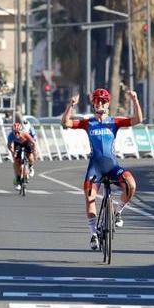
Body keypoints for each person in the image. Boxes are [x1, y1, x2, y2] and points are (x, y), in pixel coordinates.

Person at [60, 86, 142, 251]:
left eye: (103, 101)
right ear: (93, 104)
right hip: (95, 169)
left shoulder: (114, 122)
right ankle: (94, 234)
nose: (100, 104)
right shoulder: (87, 123)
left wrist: (135, 100)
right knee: (90, 199)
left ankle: (118, 212)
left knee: (131, 184)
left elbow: (137, 120)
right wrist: (71, 105)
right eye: (97, 101)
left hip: (112, 167)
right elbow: (65, 123)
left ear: (107, 104)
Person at [6, 119, 37, 189]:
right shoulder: (11, 135)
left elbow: (33, 143)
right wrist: (13, 152)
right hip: (18, 145)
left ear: (21, 131)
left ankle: (31, 166)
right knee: (16, 161)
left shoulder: (25, 134)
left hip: (26, 143)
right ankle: (18, 179)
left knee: (30, 157)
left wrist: (34, 150)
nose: (17, 134)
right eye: (15, 132)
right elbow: (9, 145)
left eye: (18, 132)